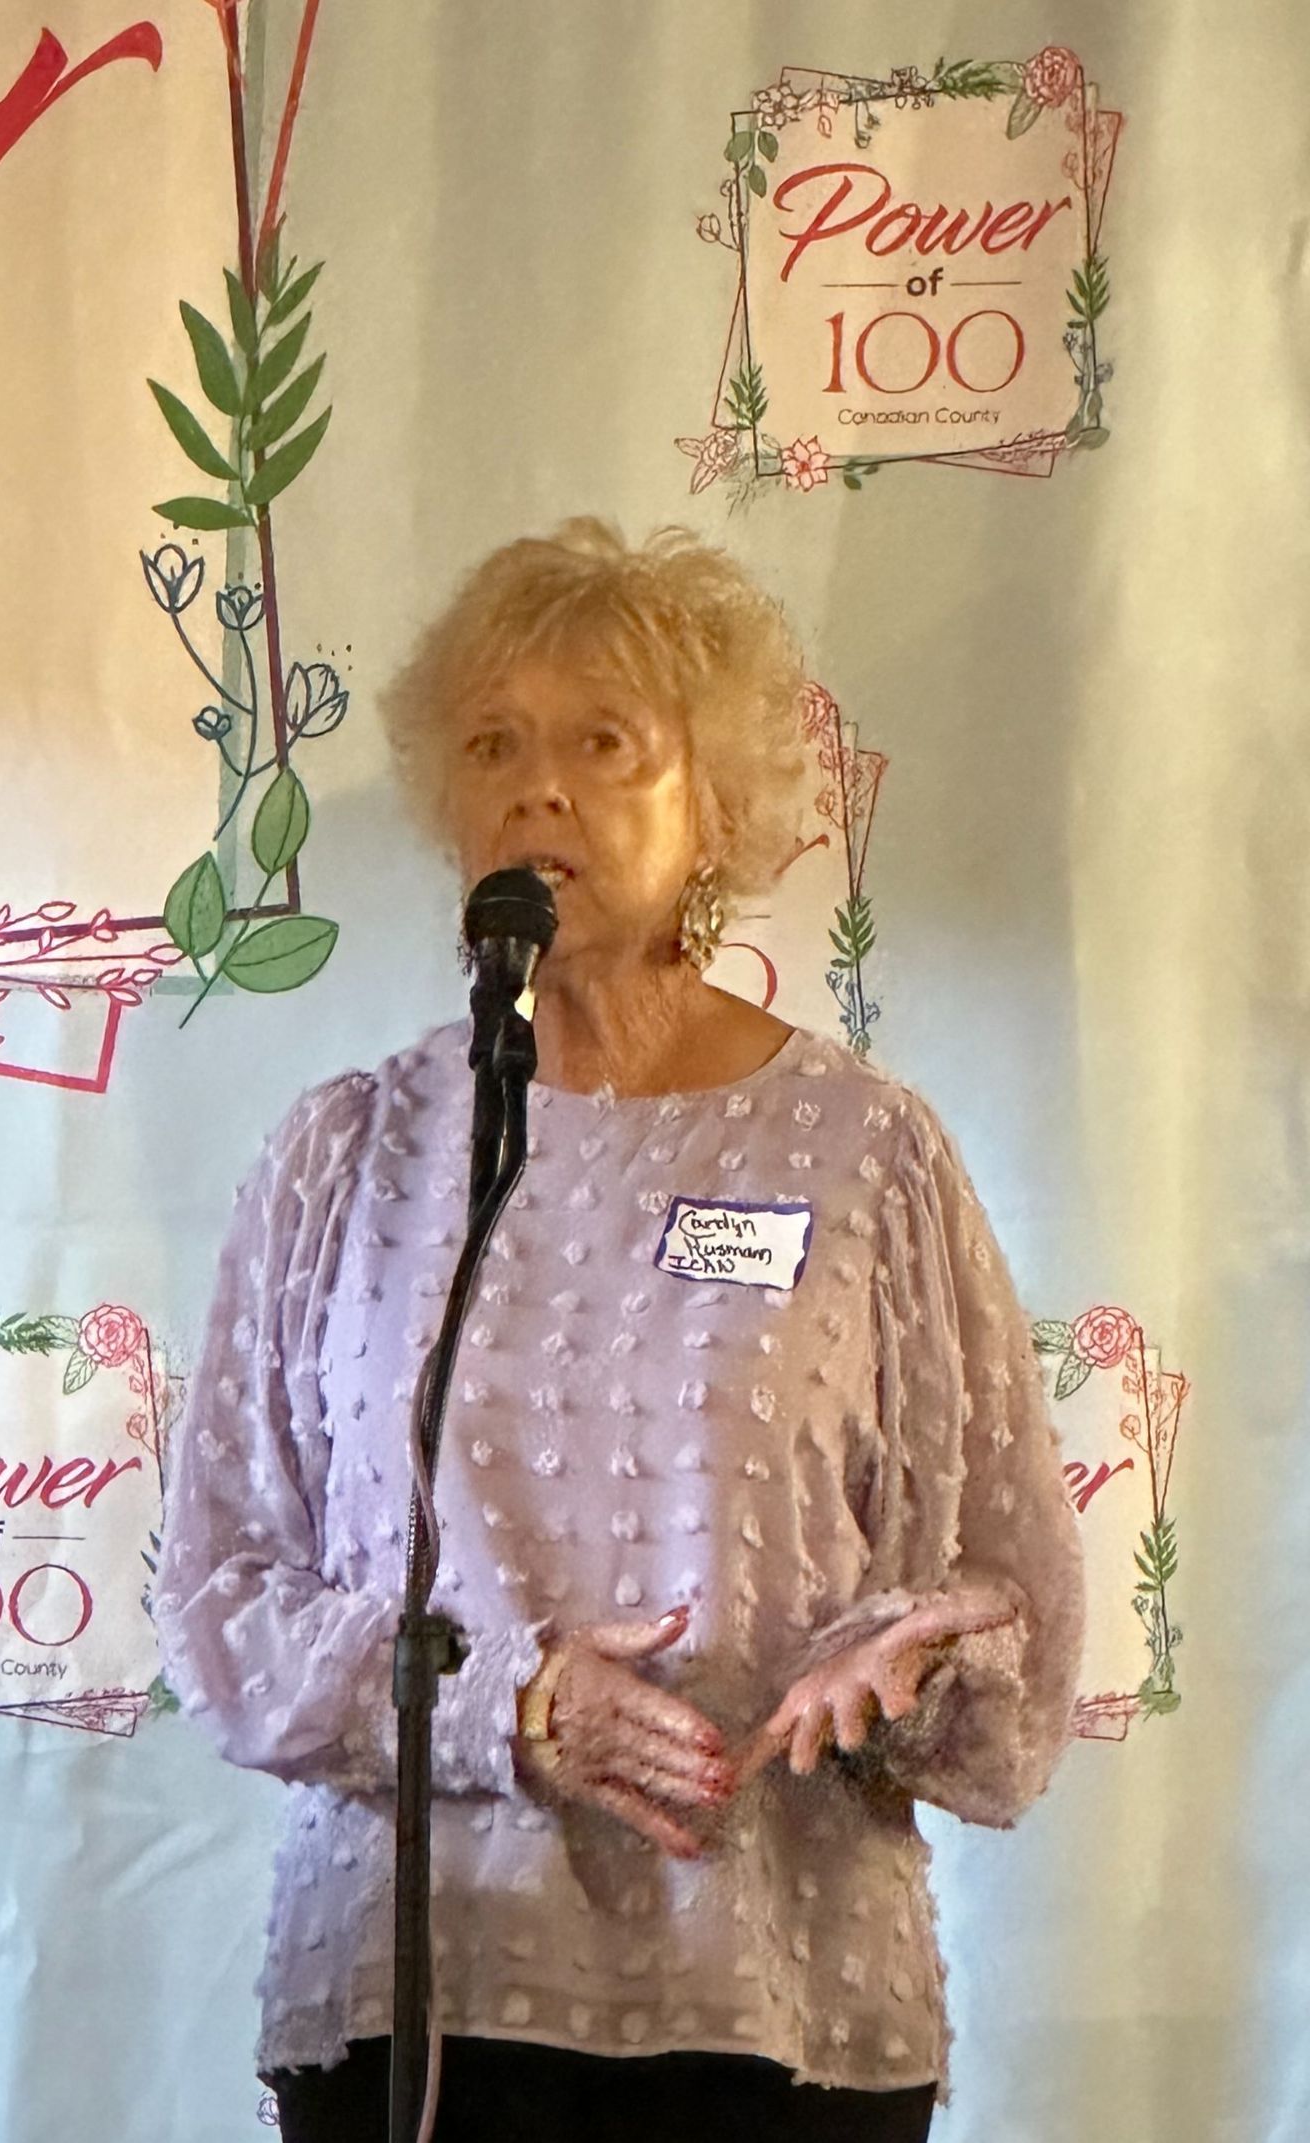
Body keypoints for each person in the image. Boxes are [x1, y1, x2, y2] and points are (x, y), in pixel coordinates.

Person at [151, 518, 1086, 2142]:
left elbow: (1013, 1611)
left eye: (603, 744)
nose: (539, 788)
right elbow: (224, 1605)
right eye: (496, 745)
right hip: (418, 2011)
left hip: (775, 2008)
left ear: (713, 804)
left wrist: (911, 1659)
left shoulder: (866, 1153)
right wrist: (507, 1706)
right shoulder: (349, 1154)